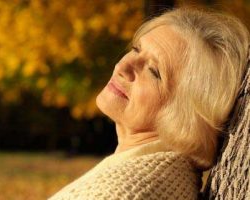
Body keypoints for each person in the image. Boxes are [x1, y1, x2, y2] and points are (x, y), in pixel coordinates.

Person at [48, 7, 250, 200]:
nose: (122, 66)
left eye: (154, 72)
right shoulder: (164, 174)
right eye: (136, 50)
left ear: (186, 116)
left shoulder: (121, 192)